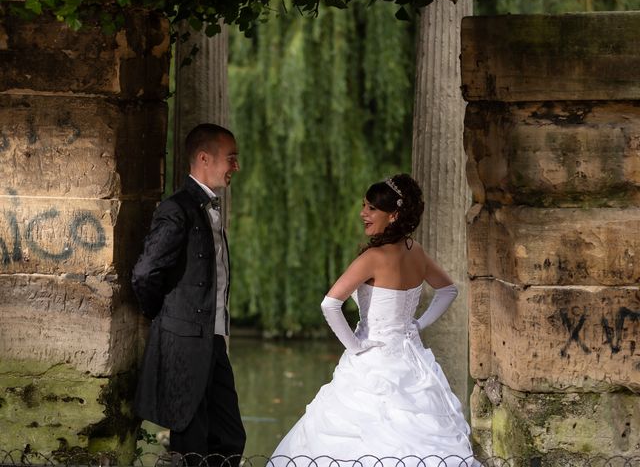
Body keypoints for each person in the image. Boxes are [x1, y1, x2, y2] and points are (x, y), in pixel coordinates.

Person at [270, 173, 478, 467]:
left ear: (393, 215)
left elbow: (330, 304)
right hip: (411, 358)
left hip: (373, 358)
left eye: (371, 209)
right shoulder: (415, 251)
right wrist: (418, 324)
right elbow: (448, 290)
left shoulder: (374, 257)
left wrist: (355, 347)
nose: (362, 214)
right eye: (364, 206)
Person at [132, 124, 246, 466]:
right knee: (191, 441)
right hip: (183, 341)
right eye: (231, 159)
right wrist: (166, 317)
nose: (236, 167)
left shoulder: (210, 208)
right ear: (203, 158)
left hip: (211, 339)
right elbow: (144, 273)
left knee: (230, 437)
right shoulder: (176, 209)